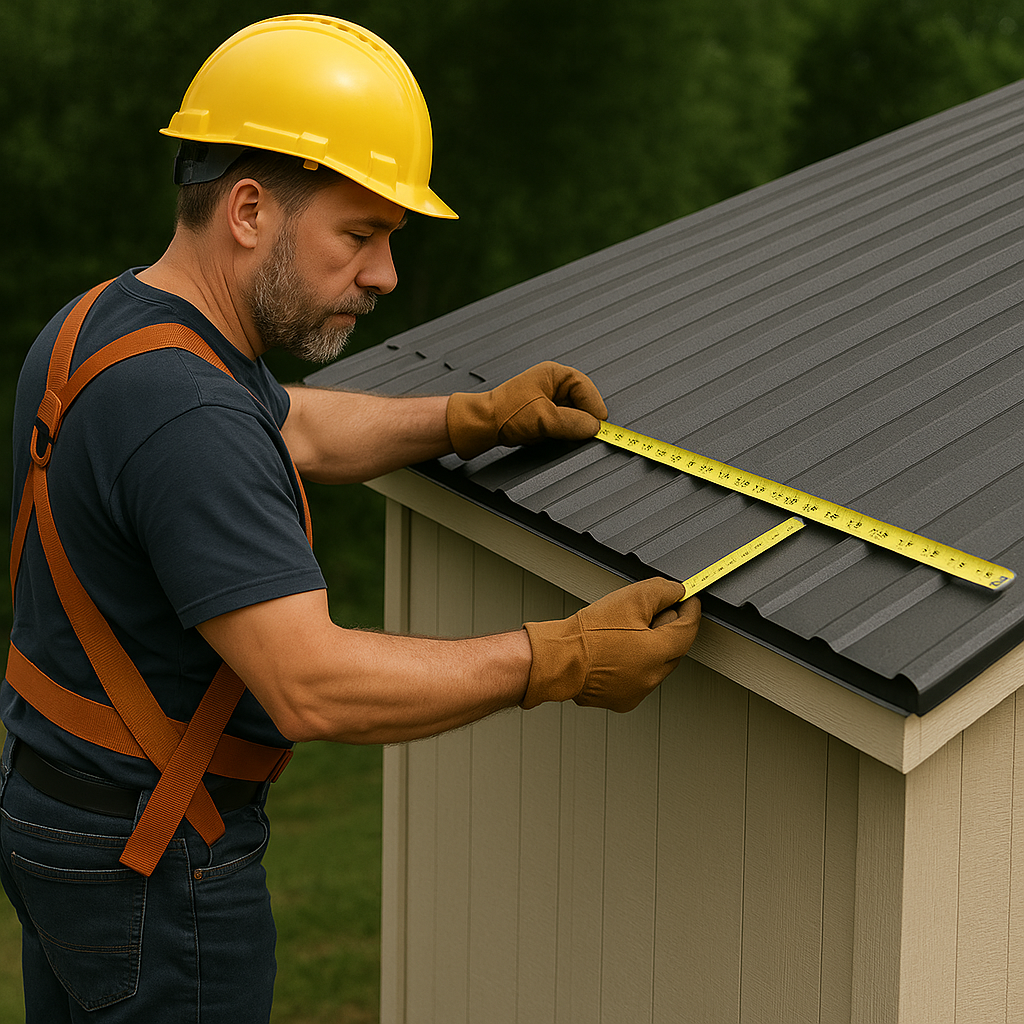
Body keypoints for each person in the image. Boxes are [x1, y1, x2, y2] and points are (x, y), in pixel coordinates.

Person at [0, 14, 701, 1023]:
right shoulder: (188, 414)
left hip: (55, 815)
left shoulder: (102, 327)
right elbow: (311, 685)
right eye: (359, 235)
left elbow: (294, 430)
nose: (384, 277)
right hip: (153, 873)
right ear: (249, 209)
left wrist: (467, 419)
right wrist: (560, 659)